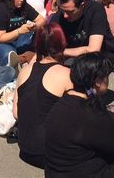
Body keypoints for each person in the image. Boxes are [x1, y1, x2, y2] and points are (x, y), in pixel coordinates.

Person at [14, 22, 72, 168]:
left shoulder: (24, 71)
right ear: (62, 44)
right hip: (52, 154)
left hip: (26, 149)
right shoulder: (66, 75)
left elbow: (16, 113)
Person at [51, 0, 114, 66]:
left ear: (82, 5)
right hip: (74, 57)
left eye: (70, 12)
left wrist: (60, 52)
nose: (65, 16)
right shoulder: (58, 17)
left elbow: (94, 49)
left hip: (103, 55)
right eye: (62, 10)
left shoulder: (95, 9)